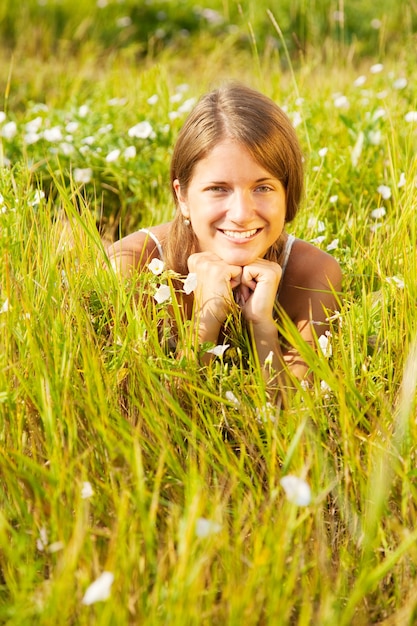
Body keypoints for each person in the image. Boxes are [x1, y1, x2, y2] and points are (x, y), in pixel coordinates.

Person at [107, 82, 342, 400]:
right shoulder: (132, 263)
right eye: (218, 188)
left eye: (263, 187)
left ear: (287, 192)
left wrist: (262, 326)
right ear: (183, 197)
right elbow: (153, 421)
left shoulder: (313, 274)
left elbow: (291, 424)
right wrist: (208, 316)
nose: (243, 214)